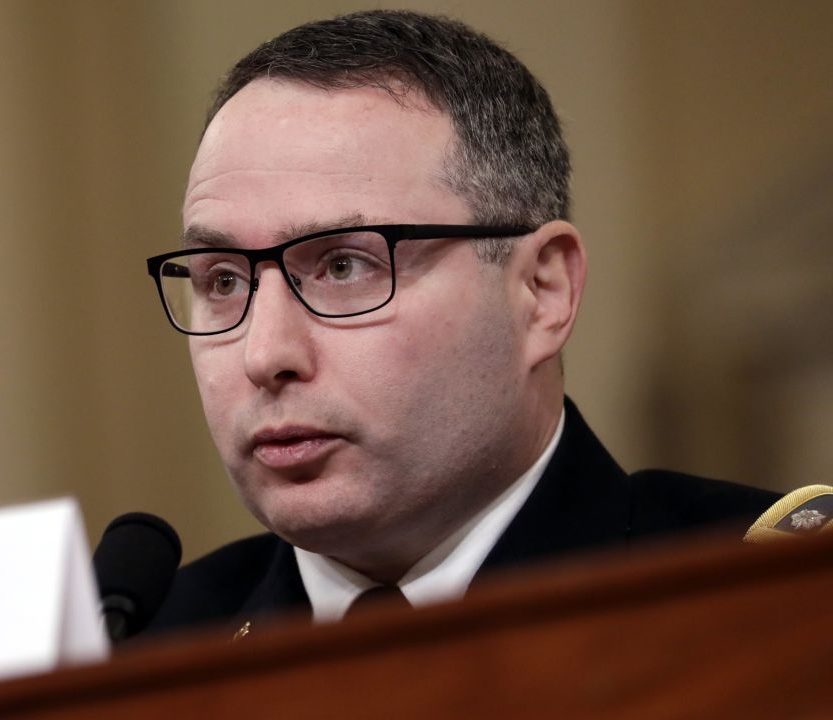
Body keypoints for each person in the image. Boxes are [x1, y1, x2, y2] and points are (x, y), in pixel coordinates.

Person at [140, 10, 777, 637]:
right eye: (222, 280)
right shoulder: (135, 656)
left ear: (542, 291)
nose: (265, 353)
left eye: (343, 266)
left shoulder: (772, 597)